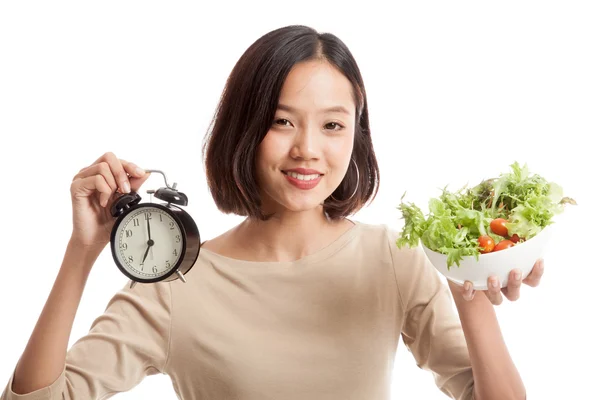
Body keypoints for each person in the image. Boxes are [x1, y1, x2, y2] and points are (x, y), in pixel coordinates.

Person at [1, 25, 543, 400]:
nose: (308, 148)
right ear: (244, 128)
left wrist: (470, 284)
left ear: (356, 137)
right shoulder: (173, 285)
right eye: (282, 121)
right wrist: (82, 251)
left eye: (332, 125)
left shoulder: (392, 259)